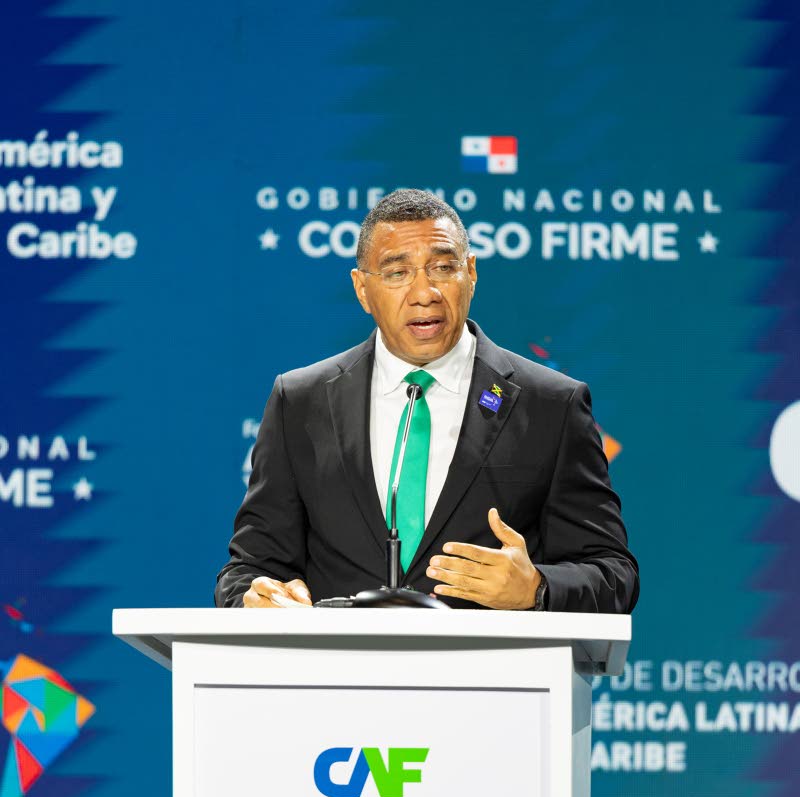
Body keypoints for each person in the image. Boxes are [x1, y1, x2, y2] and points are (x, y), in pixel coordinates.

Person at [215, 189, 638, 612]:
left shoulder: (550, 404)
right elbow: (249, 570)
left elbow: (612, 575)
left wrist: (537, 588)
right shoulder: (301, 401)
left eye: (443, 268)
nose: (424, 292)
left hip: (491, 673)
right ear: (362, 289)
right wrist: (259, 598)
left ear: (470, 273)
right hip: (337, 673)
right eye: (397, 273)